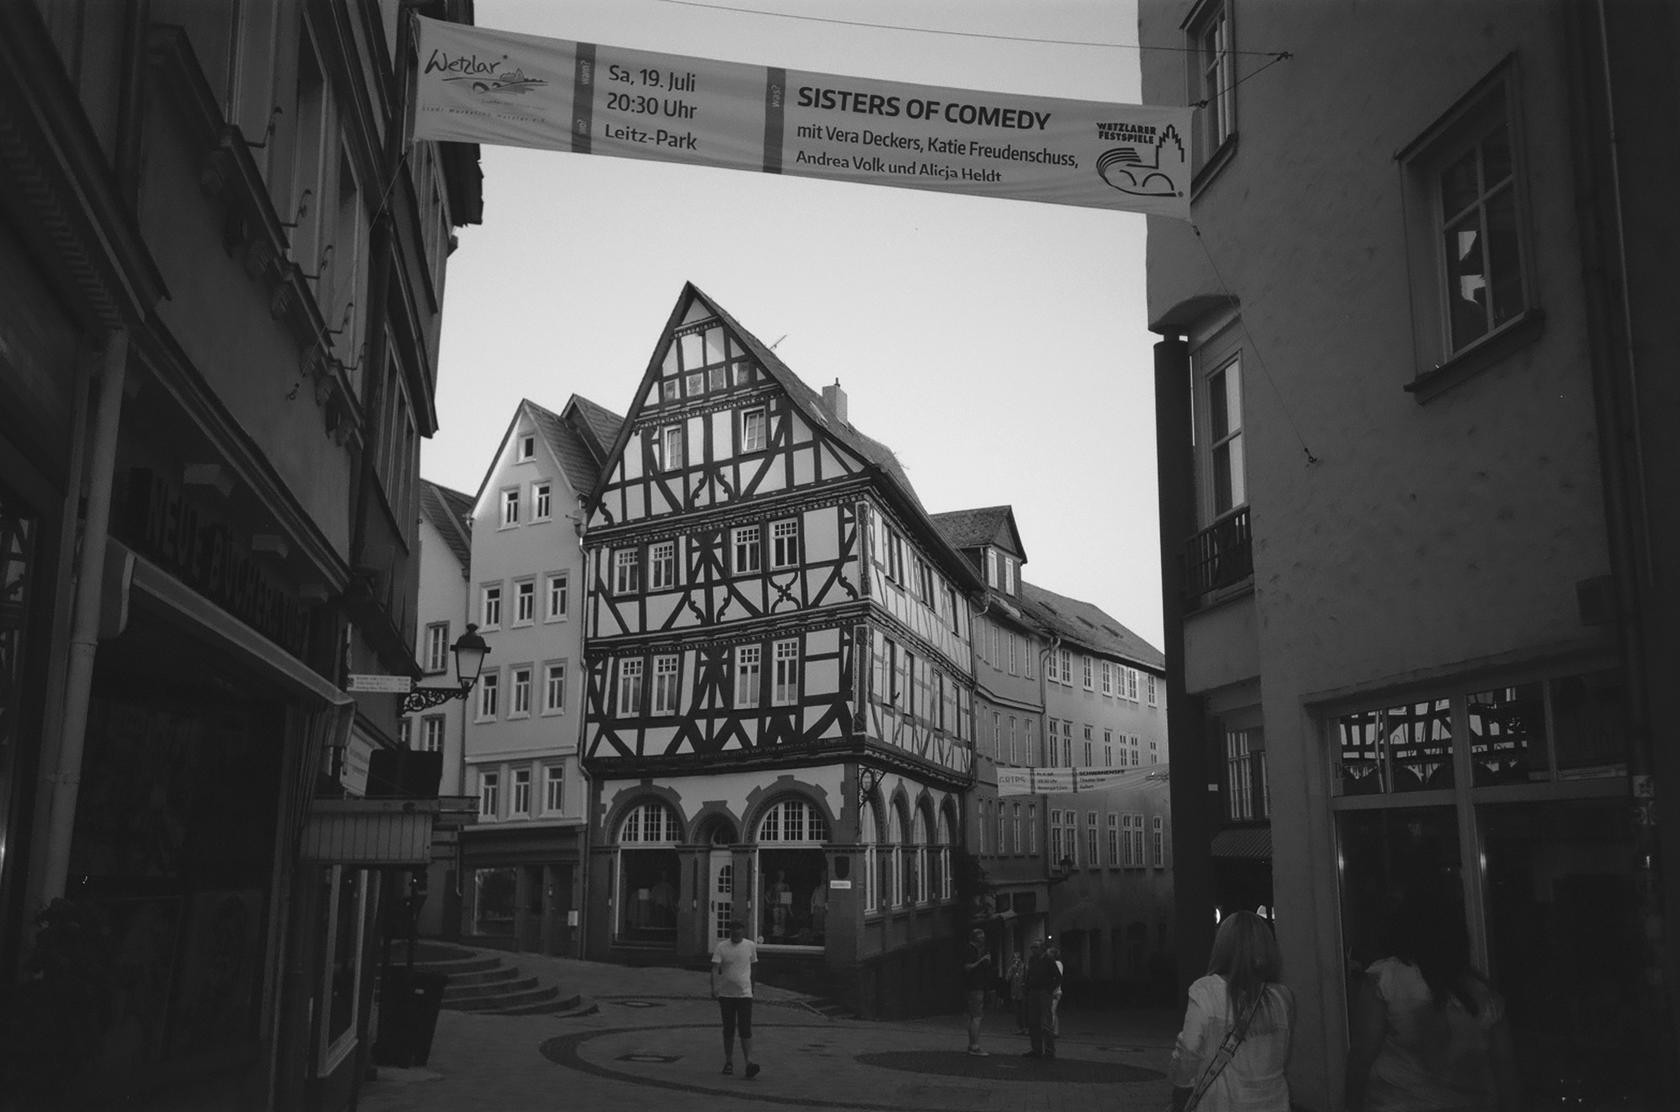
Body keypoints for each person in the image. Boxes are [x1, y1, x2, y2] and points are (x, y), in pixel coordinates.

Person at [1344, 893, 1520, 1112]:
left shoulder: (1386, 978)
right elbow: (1506, 1074)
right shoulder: (1482, 993)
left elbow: (1361, 1057)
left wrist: (1350, 1105)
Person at [1168, 911, 1294, 1111]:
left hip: (1222, 1102)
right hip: (1273, 1101)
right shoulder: (1281, 998)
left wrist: (1181, 1088)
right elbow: (1282, 1055)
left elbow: (1189, 1050)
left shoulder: (1206, 992)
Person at [710, 920, 761, 1078]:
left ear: (743, 931)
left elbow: (754, 966)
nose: (736, 933)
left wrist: (752, 986)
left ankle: (749, 1062)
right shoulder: (722, 947)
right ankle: (729, 1061)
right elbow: (715, 968)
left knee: (745, 1028)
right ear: (730, 931)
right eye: (734, 930)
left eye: (739, 929)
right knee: (728, 1029)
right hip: (726, 995)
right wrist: (714, 987)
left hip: (744, 994)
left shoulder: (750, 946)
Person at [1022, 939, 1062, 1060]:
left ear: (1042, 949)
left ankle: (1049, 1051)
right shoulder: (1032, 959)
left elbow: (1058, 976)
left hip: (1044, 992)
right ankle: (1036, 1049)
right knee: (1033, 1022)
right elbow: (1029, 974)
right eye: (1032, 947)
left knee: (1045, 1022)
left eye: (1036, 947)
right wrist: (1027, 988)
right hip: (1033, 992)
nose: (1033, 950)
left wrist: (1050, 989)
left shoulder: (1048, 960)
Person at [962, 928, 992, 1056]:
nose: (983, 939)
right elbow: (967, 967)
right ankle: (974, 1045)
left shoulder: (973, 950)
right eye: (981, 937)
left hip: (972, 986)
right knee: (977, 1016)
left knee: (972, 1016)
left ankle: (972, 1044)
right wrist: (982, 960)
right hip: (975, 986)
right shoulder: (971, 950)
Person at [1007, 951, 1028, 1034]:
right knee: (1017, 1011)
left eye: (1017, 958)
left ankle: (1026, 1028)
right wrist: (1012, 969)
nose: (1016, 960)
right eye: (1014, 958)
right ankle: (1020, 1028)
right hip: (1015, 991)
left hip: (1023, 991)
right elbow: (1007, 978)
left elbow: (1027, 978)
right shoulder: (1012, 968)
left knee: (1024, 1010)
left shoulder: (1024, 967)